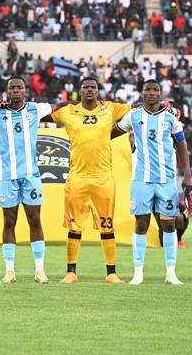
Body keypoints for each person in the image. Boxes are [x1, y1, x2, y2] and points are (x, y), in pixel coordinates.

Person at [0, 76, 72, 284]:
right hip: (7, 177)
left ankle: (39, 271)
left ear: (25, 91)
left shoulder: (36, 109)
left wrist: (83, 106)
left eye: (19, 87)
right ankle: (10, 271)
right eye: (12, 88)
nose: (16, 91)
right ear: (7, 91)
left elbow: (60, 107)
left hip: (31, 175)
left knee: (35, 220)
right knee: (9, 222)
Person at [49, 77, 131, 284]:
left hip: (103, 178)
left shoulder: (111, 109)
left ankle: (111, 273)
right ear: (79, 91)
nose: (89, 90)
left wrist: (167, 108)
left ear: (98, 90)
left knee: (107, 225)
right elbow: (39, 115)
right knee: (74, 226)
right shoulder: (68, 111)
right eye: (85, 87)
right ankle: (71, 272)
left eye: (93, 87)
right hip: (78, 178)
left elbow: (139, 111)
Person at [111, 81, 192, 285]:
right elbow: (114, 132)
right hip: (141, 180)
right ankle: (138, 272)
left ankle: (171, 273)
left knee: (168, 223)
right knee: (141, 223)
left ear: (160, 93)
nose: (151, 93)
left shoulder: (170, 118)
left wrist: (187, 175)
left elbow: (181, 145)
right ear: (142, 93)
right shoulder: (133, 116)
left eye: (155, 90)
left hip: (166, 179)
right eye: (148, 90)